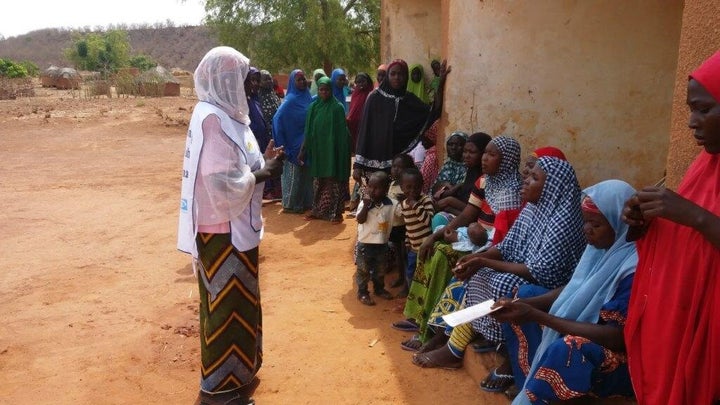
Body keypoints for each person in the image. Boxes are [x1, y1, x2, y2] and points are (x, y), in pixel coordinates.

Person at [411, 157, 586, 379]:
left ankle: (504, 353)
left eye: (535, 178)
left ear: (552, 186)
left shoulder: (562, 221)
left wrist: (483, 261)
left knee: (501, 283)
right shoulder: (533, 209)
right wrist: (478, 259)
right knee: (475, 272)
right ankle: (462, 338)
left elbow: (541, 272)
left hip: (547, 285)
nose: (526, 180)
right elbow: (506, 246)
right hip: (526, 270)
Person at [177, 46, 284, 405]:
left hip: (234, 228)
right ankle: (219, 392)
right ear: (227, 79)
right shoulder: (213, 119)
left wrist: (262, 162)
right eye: (246, 76)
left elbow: (237, 164)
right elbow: (219, 183)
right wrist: (262, 173)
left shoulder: (227, 115)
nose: (253, 83)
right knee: (226, 307)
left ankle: (238, 375)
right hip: (222, 231)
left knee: (241, 302)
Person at [622, 50, 720, 405]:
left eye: (704, 109)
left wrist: (692, 215)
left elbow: (699, 221)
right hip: (687, 320)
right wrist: (646, 221)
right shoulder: (705, 165)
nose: (692, 122)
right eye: (691, 110)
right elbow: (689, 237)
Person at [494, 179, 637, 403]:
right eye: (585, 222)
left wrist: (539, 316)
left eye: (596, 225)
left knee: (569, 348)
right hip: (588, 326)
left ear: (619, 225)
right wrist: (526, 306)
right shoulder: (600, 250)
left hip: (623, 357)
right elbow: (574, 290)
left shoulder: (632, 266)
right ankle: (530, 386)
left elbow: (617, 338)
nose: (587, 230)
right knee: (525, 295)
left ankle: (537, 395)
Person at [353, 59, 450, 181]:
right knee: (374, 196)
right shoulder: (374, 98)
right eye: (393, 74)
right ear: (388, 75)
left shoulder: (409, 99)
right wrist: (358, 165)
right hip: (372, 160)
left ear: (406, 77)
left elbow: (433, 112)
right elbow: (364, 130)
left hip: (396, 163)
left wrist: (440, 83)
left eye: (401, 74)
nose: (397, 77)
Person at [299, 76, 351, 223]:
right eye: (321, 89)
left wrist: (340, 153)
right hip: (318, 152)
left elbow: (342, 134)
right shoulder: (313, 107)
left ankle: (335, 213)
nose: (324, 92)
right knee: (318, 181)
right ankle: (318, 210)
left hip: (333, 152)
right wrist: (303, 149)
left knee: (333, 181)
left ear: (331, 90)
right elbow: (308, 131)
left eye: (326, 90)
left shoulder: (337, 108)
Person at [273, 69, 314, 214]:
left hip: (305, 143)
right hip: (293, 146)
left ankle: (305, 203)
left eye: (303, 79)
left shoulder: (307, 97)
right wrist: (282, 145)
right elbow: (277, 119)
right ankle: (290, 205)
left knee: (305, 176)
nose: (302, 82)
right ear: (293, 82)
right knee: (294, 176)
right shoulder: (290, 100)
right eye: (299, 80)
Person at [355, 171, 398, 305]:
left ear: (386, 190)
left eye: (377, 188)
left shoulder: (392, 204)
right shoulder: (365, 204)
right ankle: (362, 292)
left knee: (381, 269)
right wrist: (367, 206)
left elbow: (401, 214)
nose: (372, 191)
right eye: (370, 187)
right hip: (365, 244)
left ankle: (379, 289)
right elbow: (360, 219)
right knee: (363, 269)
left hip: (382, 244)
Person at [432, 132, 492, 223]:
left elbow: (477, 212)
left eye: (472, 152)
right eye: (465, 151)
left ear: (483, 153)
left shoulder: (487, 177)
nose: (466, 156)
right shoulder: (471, 171)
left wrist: (450, 201)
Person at [399, 167, 436, 294]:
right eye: (408, 187)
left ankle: (424, 298)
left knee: (426, 275)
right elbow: (408, 226)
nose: (412, 191)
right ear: (402, 187)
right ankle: (412, 297)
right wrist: (407, 242)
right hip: (413, 249)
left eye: (416, 187)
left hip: (426, 249)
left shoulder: (425, 200)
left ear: (422, 186)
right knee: (411, 273)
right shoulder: (403, 204)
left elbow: (428, 221)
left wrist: (415, 205)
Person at [259, 69, 283, 200]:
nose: (268, 81)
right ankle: (267, 190)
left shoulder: (273, 94)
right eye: (265, 79)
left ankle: (276, 189)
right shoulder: (259, 97)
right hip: (264, 136)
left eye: (269, 78)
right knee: (265, 161)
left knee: (276, 160)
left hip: (275, 134)